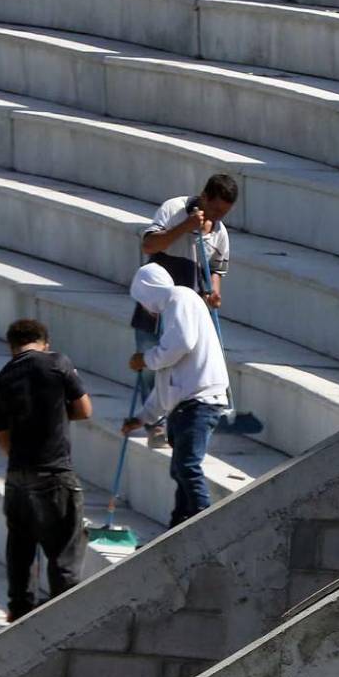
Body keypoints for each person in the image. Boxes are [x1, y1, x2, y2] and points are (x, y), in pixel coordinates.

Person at [0, 318, 93, 622]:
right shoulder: (57, 363)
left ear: (12, 347)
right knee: (64, 551)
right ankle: (64, 620)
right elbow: (84, 410)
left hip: (18, 475)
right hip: (54, 472)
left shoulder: (3, 377)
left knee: (20, 547)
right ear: (44, 342)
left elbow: (1, 435)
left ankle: (19, 609)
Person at [121, 263, 228, 529]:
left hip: (200, 401)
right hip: (185, 404)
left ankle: (205, 519)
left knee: (187, 465)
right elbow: (165, 383)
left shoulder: (179, 297)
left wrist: (145, 358)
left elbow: (182, 343)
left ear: (147, 291)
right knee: (179, 469)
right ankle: (180, 523)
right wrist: (142, 418)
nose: (145, 308)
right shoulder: (171, 315)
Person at [135, 174, 238, 448]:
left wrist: (215, 291)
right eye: (215, 209)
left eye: (224, 213)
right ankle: (154, 425)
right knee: (149, 363)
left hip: (189, 311)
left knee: (179, 367)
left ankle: (178, 424)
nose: (217, 217)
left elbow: (216, 270)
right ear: (204, 196)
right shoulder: (174, 209)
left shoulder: (220, 233)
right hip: (155, 303)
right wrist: (186, 227)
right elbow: (149, 245)